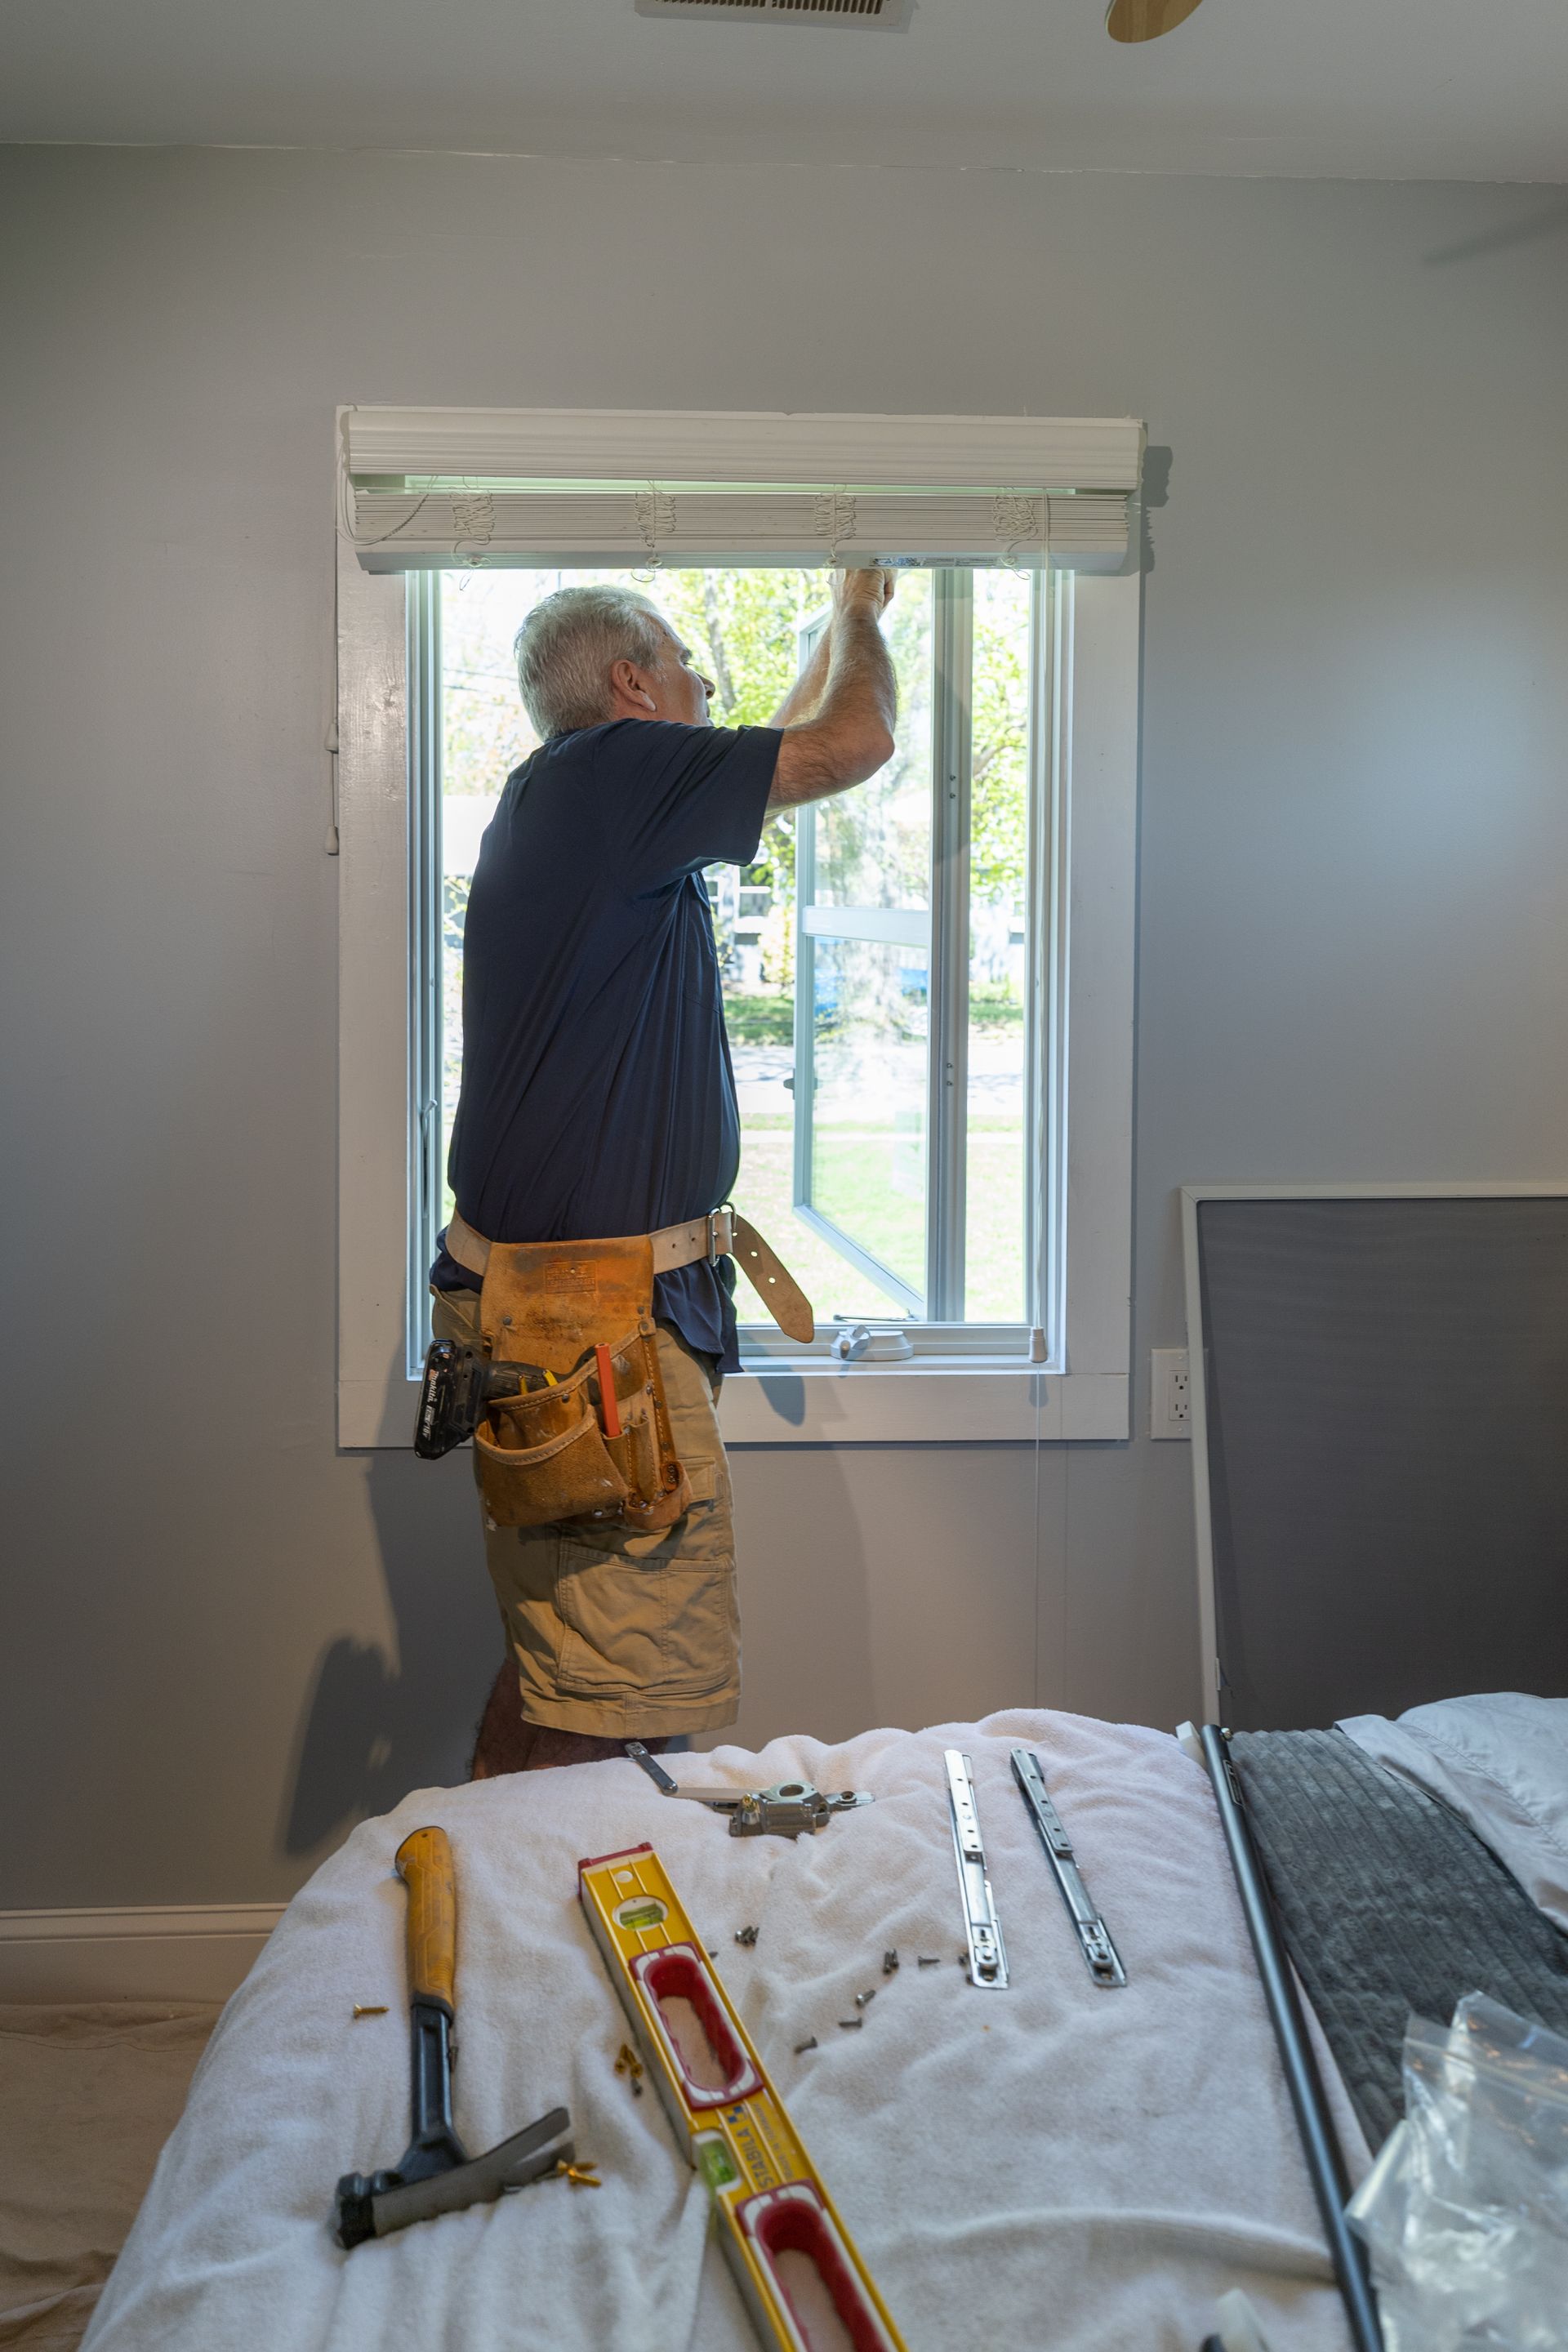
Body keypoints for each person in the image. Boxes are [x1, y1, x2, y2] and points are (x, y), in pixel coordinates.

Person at [430, 568, 898, 1775]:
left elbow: (773, 752)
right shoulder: (613, 777)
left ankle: (494, 1923)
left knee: (580, 1663)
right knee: (614, 1696)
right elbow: (852, 744)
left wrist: (817, 640)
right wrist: (857, 621)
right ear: (633, 685)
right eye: (690, 663)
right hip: (590, 1327)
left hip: (583, 1311)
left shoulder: (596, 809)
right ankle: (528, 1945)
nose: (707, 686)